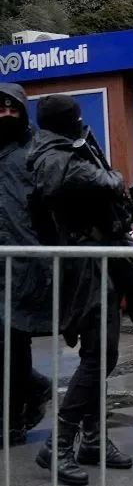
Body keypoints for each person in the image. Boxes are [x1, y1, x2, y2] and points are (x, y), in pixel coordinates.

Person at [27, 95, 133, 485]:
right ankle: (58, 444)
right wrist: (115, 176)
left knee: (99, 354)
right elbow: (106, 182)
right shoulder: (59, 159)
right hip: (84, 268)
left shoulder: (52, 152)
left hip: (88, 264)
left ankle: (92, 439)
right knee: (99, 356)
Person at [0, 84, 53, 446]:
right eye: (1, 109)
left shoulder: (35, 152)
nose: (6, 115)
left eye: (12, 109)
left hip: (25, 264)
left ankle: (12, 421)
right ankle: (35, 389)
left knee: (13, 343)